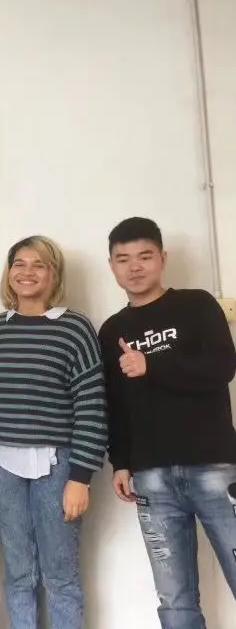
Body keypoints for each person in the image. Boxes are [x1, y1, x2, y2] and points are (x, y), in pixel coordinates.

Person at [98, 217, 236, 628]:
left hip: (215, 467)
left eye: (144, 256)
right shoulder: (113, 330)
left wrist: (151, 366)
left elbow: (222, 368)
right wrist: (121, 462)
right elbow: (115, 403)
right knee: (174, 599)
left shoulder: (196, 305)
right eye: (123, 258)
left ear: (162, 258)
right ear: (111, 265)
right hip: (152, 477)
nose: (134, 267)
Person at [0, 236, 108, 629]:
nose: (28, 272)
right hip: (2, 465)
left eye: (39, 264)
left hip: (59, 466)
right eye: (19, 264)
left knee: (60, 573)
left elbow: (92, 405)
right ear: (8, 273)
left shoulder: (74, 328)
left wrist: (80, 478)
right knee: (19, 573)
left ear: (54, 274)